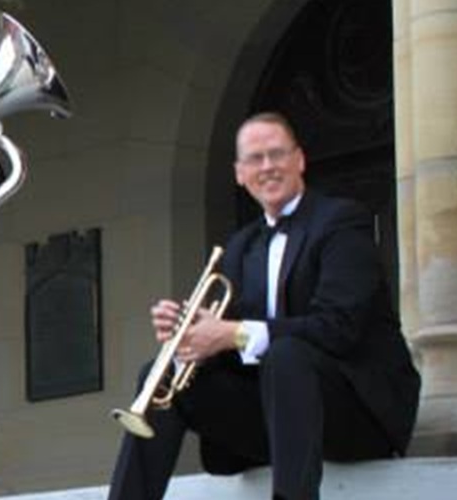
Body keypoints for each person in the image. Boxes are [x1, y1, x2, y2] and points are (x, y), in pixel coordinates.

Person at [107, 112, 421, 500]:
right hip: (276, 422)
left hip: (354, 417)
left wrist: (234, 333)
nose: (268, 166)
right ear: (240, 173)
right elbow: (236, 351)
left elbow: (339, 327)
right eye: (256, 159)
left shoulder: (342, 223)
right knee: (163, 372)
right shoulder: (242, 245)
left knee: (286, 354)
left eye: (277, 154)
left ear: (299, 160)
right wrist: (195, 338)